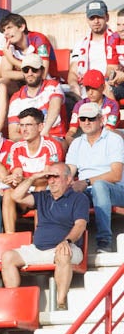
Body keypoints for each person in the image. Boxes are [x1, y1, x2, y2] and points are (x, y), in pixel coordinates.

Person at [2, 164, 90, 309]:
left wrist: (67, 241)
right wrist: (33, 178)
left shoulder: (79, 198)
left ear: (68, 179)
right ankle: (13, 304)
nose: (51, 181)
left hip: (67, 247)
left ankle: (61, 301)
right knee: (8, 257)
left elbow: (80, 225)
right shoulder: (43, 196)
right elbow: (16, 196)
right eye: (49, 177)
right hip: (38, 249)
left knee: (63, 253)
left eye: (56, 177)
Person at [66, 102, 124, 253]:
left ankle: (104, 241)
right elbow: (69, 171)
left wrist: (86, 182)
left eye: (91, 118)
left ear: (101, 119)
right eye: (83, 118)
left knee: (99, 186)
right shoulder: (77, 143)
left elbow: (116, 175)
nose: (86, 122)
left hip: (115, 189)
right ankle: (64, 242)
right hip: (87, 190)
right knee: (62, 190)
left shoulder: (114, 139)